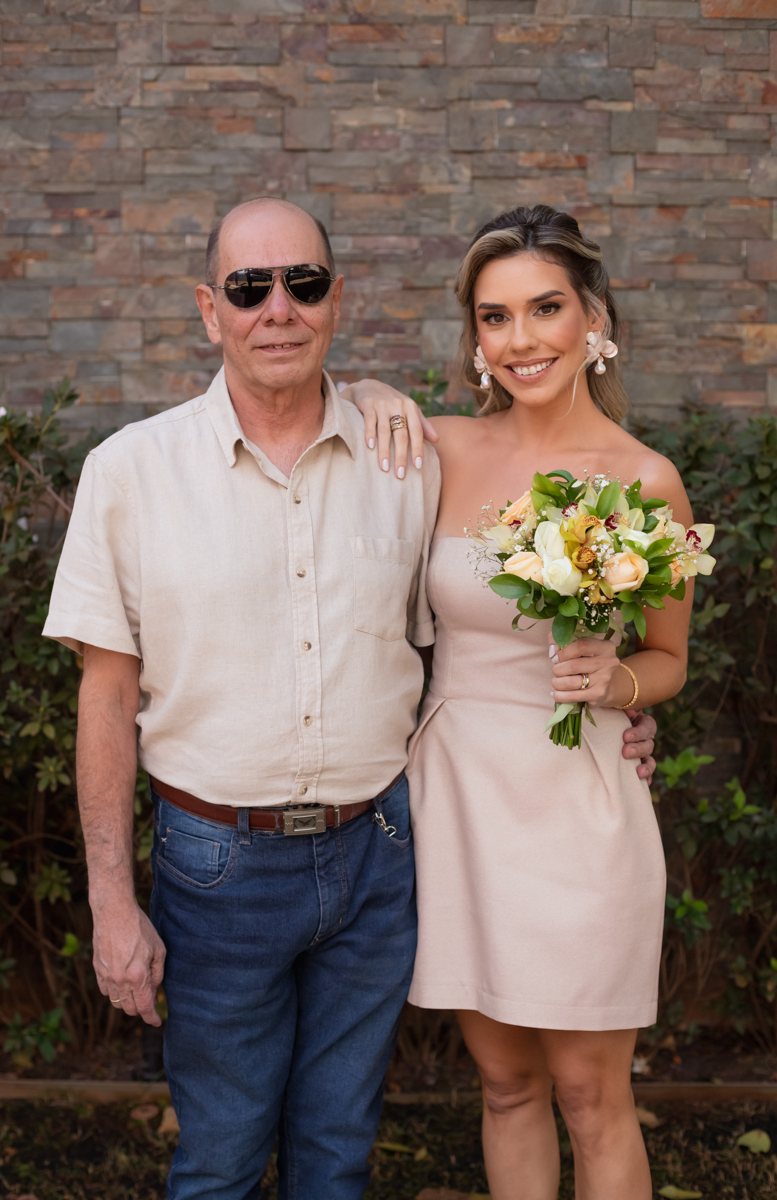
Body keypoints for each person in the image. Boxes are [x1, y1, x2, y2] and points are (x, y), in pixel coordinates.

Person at [42, 197, 656, 1200]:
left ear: (337, 300)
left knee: (336, 1155)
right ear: (210, 309)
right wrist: (113, 902)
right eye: (249, 288)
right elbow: (103, 699)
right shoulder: (131, 474)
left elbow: (492, 626)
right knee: (221, 1159)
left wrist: (623, 702)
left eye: (304, 283)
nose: (276, 308)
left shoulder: (405, 459)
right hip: (216, 870)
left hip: (379, 857)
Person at [345, 204, 691, 1200]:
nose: (519, 338)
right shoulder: (441, 445)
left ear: (591, 318)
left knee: (588, 1095)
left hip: (578, 803)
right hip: (457, 797)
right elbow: (337, 407)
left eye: (543, 308)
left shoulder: (641, 478)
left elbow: (666, 658)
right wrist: (368, 386)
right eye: (493, 318)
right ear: (475, 339)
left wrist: (618, 686)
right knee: (501, 1087)